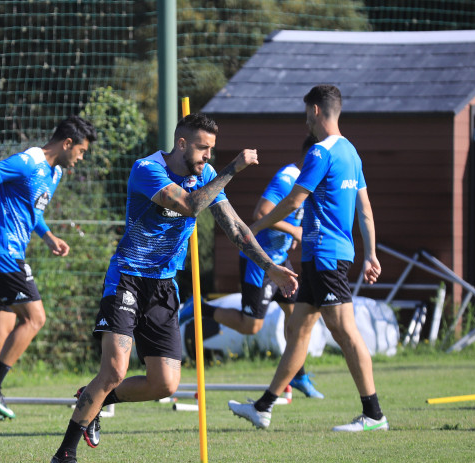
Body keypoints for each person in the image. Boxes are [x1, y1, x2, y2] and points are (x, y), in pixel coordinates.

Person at [50, 113, 299, 463]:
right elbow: (189, 205)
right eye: (203, 148)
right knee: (114, 370)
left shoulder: (207, 175)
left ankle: (98, 397)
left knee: (165, 384)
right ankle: (64, 454)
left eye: (213, 150)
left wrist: (271, 267)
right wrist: (233, 169)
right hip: (128, 278)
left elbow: (236, 228)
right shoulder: (146, 169)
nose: (208, 157)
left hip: (164, 287)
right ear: (181, 144)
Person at [228, 84, 387, 432]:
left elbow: (293, 201)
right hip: (323, 256)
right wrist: (371, 253)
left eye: (306, 115)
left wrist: (255, 227)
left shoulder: (320, 153)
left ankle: (373, 414)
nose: (306, 123)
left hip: (327, 256)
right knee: (298, 333)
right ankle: (264, 407)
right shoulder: (352, 153)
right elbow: (366, 211)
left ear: (316, 110)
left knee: (345, 332)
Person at [0, 116, 97, 421]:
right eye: (82, 151)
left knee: (1, 331)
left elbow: (31, 211)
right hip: (1, 252)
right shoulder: (29, 161)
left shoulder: (55, 173)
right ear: (67, 143)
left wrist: (48, 237)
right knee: (36, 318)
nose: (81, 157)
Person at [201, 134, 324, 399]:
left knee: (297, 318)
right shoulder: (287, 178)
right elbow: (261, 213)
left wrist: (289, 236)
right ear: (309, 156)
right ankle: (201, 310)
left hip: (280, 259)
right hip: (259, 261)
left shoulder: (306, 180)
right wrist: (295, 231)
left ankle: (299, 376)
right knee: (251, 327)